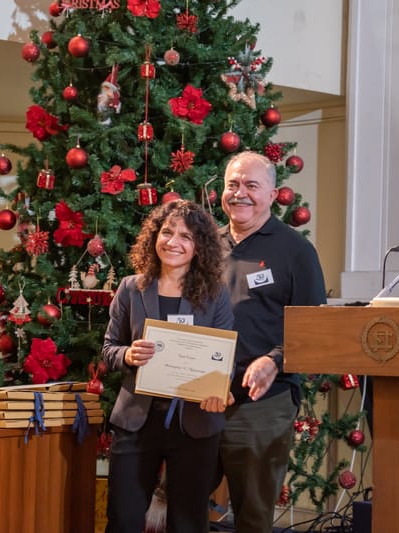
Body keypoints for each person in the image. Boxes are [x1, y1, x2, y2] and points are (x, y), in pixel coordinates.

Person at [102, 199, 234, 533]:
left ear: (199, 246)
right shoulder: (131, 288)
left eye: (186, 236)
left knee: (188, 524)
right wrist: (128, 355)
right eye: (167, 232)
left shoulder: (215, 294)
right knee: (123, 519)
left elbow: (223, 355)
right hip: (137, 421)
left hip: (195, 423)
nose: (173, 242)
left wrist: (219, 389)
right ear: (154, 237)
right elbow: (108, 349)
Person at [218, 151, 327, 532]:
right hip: (202, 394)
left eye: (251, 185)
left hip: (262, 400)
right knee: (181, 503)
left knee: (252, 515)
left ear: (273, 194)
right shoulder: (207, 245)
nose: (239, 194)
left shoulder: (295, 250)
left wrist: (275, 360)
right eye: (232, 184)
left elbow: (314, 326)